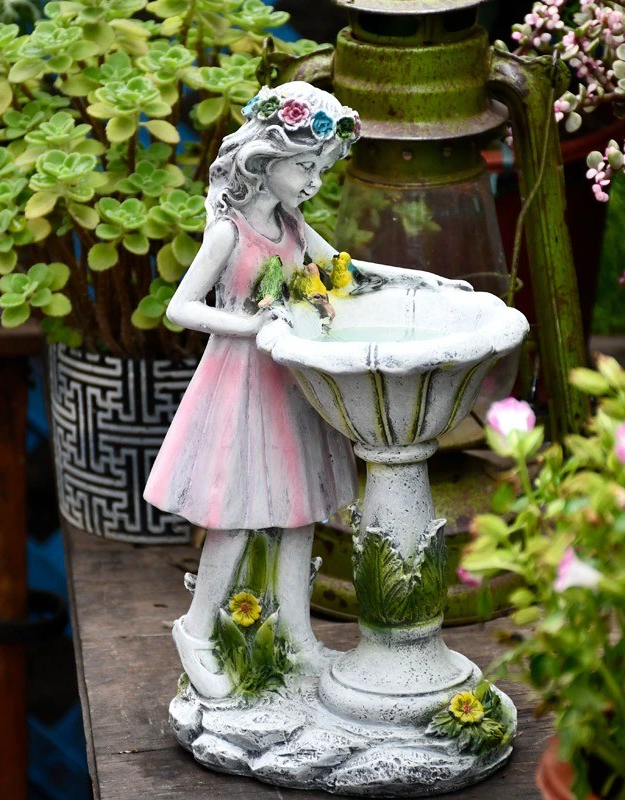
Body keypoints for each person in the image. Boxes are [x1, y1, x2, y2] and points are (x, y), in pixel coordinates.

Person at [145, 82, 466, 699]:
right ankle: (197, 630)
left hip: (291, 382)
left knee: (299, 514)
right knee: (235, 520)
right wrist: (249, 325)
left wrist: (422, 281)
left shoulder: (292, 225)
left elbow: (348, 272)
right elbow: (180, 308)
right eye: (305, 167)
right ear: (265, 161)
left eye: (321, 170)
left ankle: (295, 633)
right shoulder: (229, 233)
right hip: (241, 385)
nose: (315, 181)